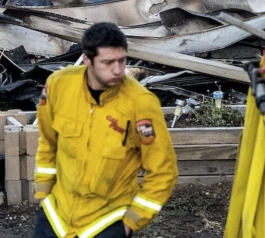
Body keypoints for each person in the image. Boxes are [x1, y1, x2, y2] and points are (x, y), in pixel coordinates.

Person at [32, 22, 177, 238]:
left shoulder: (140, 103)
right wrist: (43, 193)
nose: (118, 70)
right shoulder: (58, 86)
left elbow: (163, 170)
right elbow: (48, 142)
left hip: (106, 222)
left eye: (122, 60)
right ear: (87, 59)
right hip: (56, 217)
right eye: (108, 62)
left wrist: (131, 221)